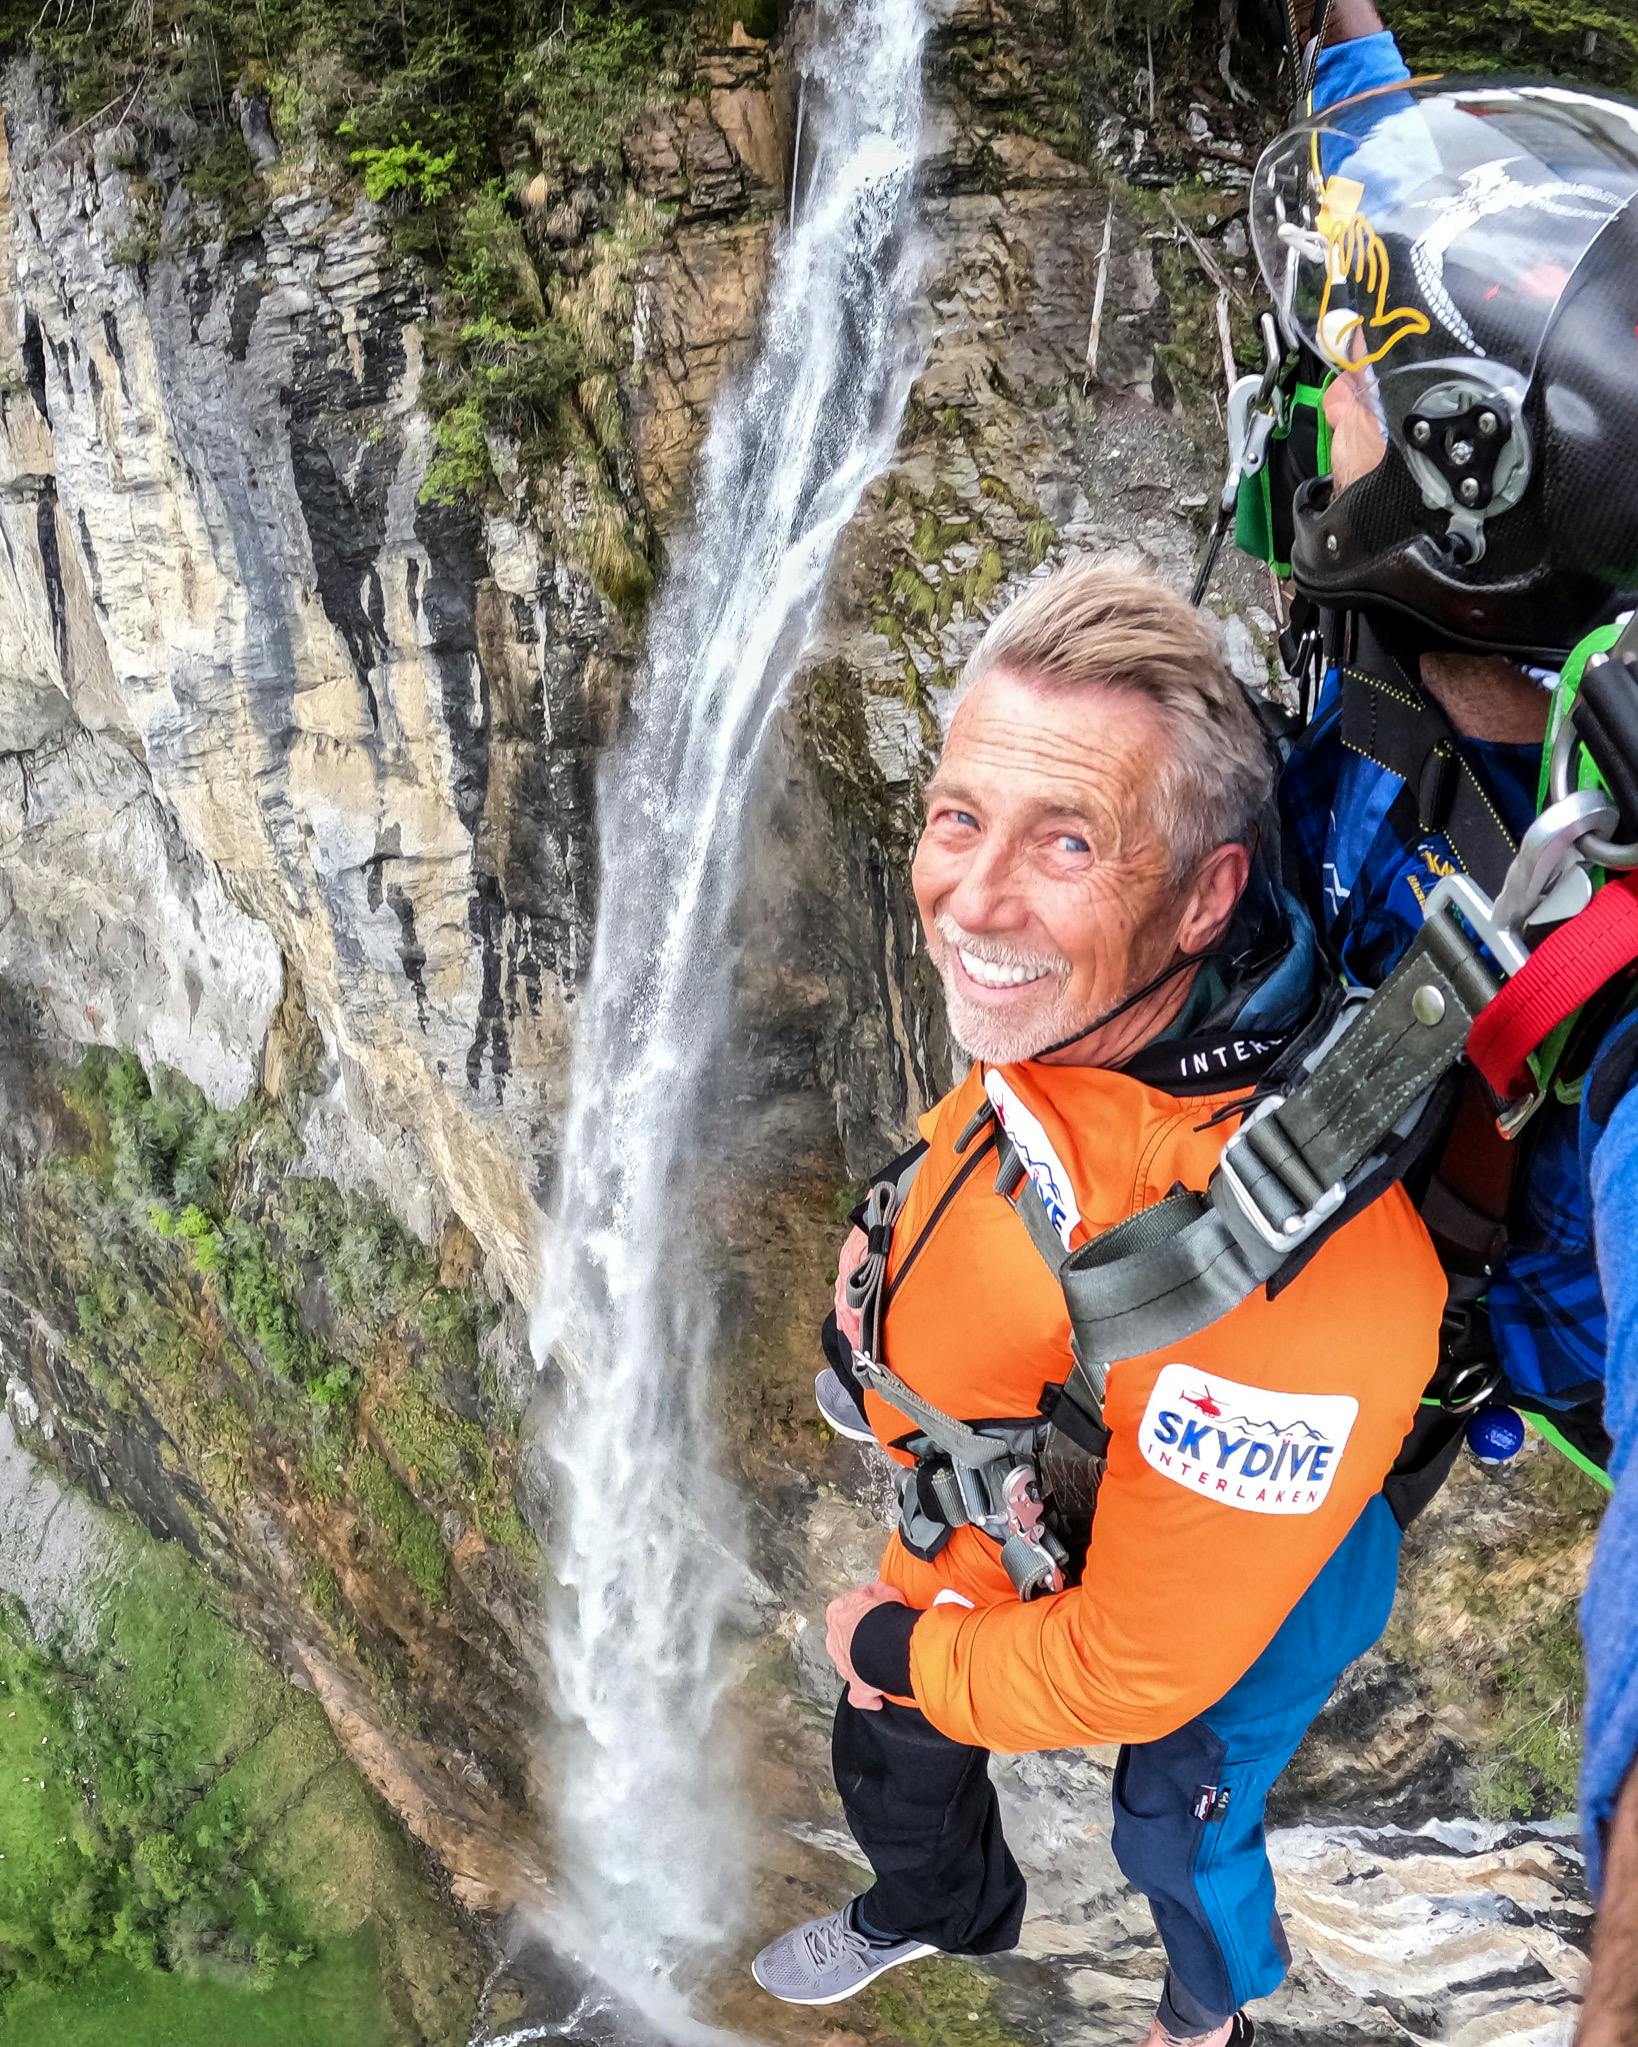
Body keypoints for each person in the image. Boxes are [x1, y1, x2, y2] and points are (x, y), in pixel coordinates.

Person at [750, 556, 1448, 2046]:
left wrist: (897, 1650)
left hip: (1232, 1598)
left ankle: (1208, 2016)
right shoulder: (1087, 1008)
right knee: (886, 1749)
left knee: (1167, 1825)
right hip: (1008, 1473)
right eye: (957, 818)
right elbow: (1010, 1145)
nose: (970, 899)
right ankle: (933, 1907)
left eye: (1067, 841)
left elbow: (1135, 1666)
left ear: (1207, 898)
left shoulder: (1286, 1288)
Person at [1242, 9, 1638, 2040]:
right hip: (1383, 1202)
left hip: (1457, 1295)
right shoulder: (1470, 605)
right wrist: (1350, 46)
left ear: (1471, 477)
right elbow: (1389, 192)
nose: (1304, 413)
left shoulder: (1621, 929)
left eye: (1337, 389)